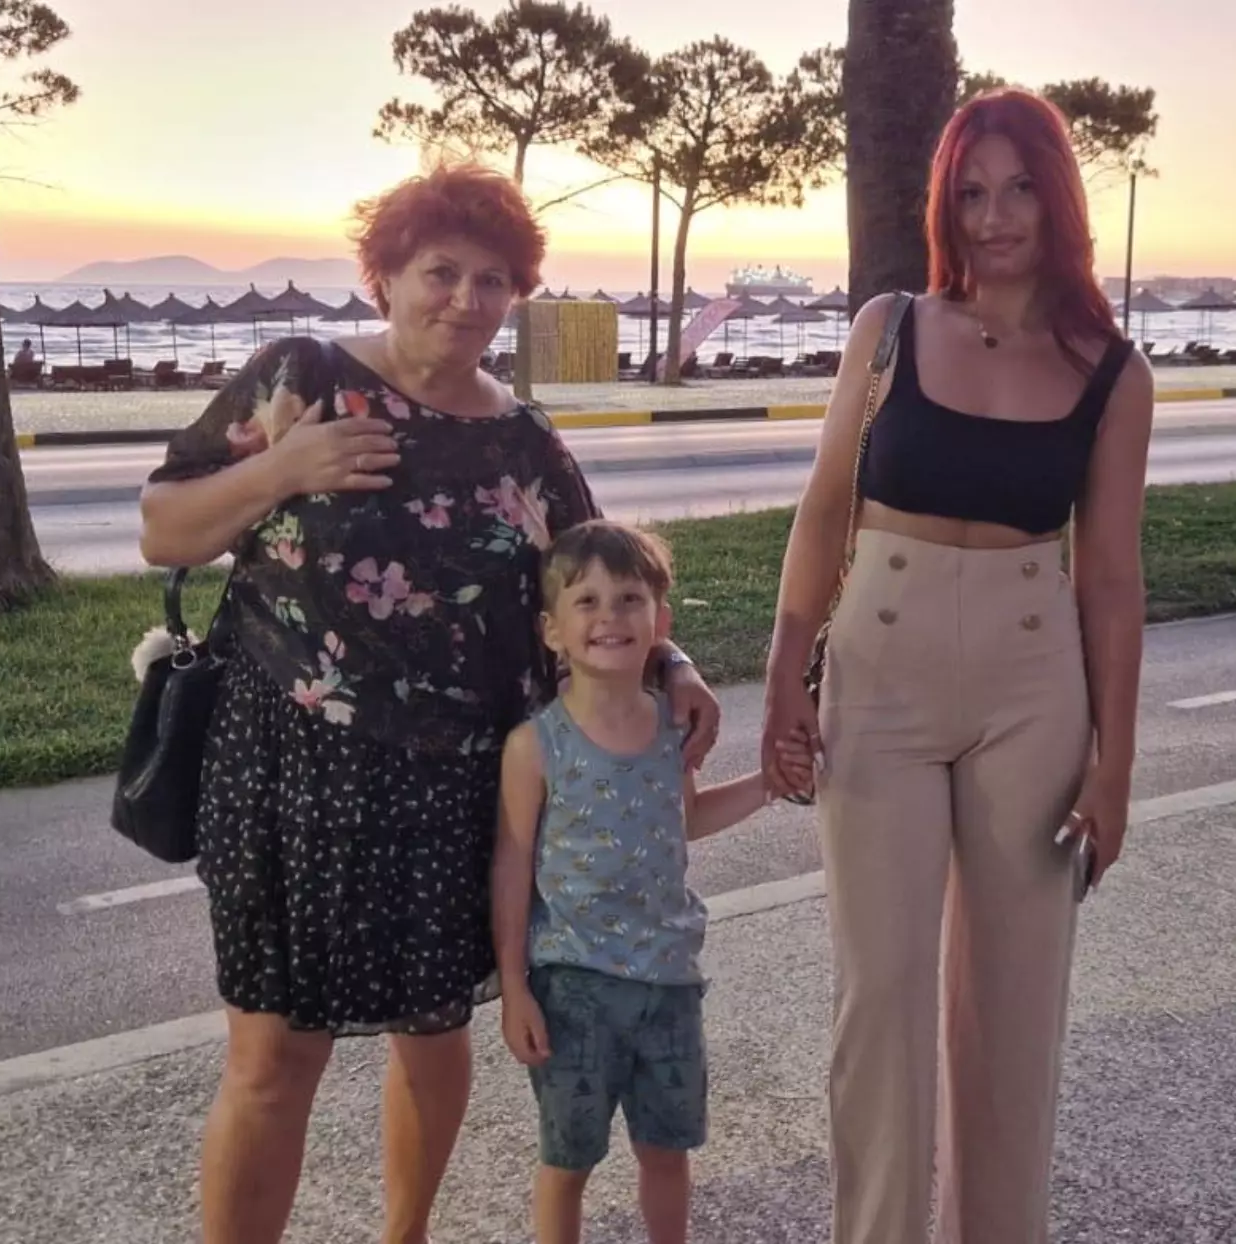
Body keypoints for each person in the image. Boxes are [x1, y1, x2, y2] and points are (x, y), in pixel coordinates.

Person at [138, 163, 721, 1244]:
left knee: (432, 1031)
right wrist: (283, 468)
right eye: (440, 271)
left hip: (460, 782)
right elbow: (164, 527)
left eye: (492, 279)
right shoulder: (302, 376)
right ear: (387, 275)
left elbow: (596, 581)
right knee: (273, 1055)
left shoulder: (524, 441)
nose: (464, 298)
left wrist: (671, 665)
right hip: (294, 764)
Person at [762, 89, 1152, 1244]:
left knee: (1013, 1006)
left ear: (1058, 198)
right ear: (943, 205)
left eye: (1019, 187)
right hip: (877, 672)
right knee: (879, 994)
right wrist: (783, 671)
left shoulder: (1110, 371)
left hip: (1033, 691)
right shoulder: (887, 328)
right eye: (970, 192)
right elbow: (823, 508)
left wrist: (1114, 764)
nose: (994, 215)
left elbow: (1110, 581)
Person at [493, 520, 814, 1244]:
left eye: (629, 599)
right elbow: (511, 866)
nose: (609, 616)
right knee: (567, 1162)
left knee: (666, 1154)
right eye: (587, 601)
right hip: (572, 986)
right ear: (552, 631)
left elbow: (687, 818)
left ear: (660, 622)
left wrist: (769, 783)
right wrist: (514, 987)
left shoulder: (675, 731)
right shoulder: (535, 747)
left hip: (669, 983)